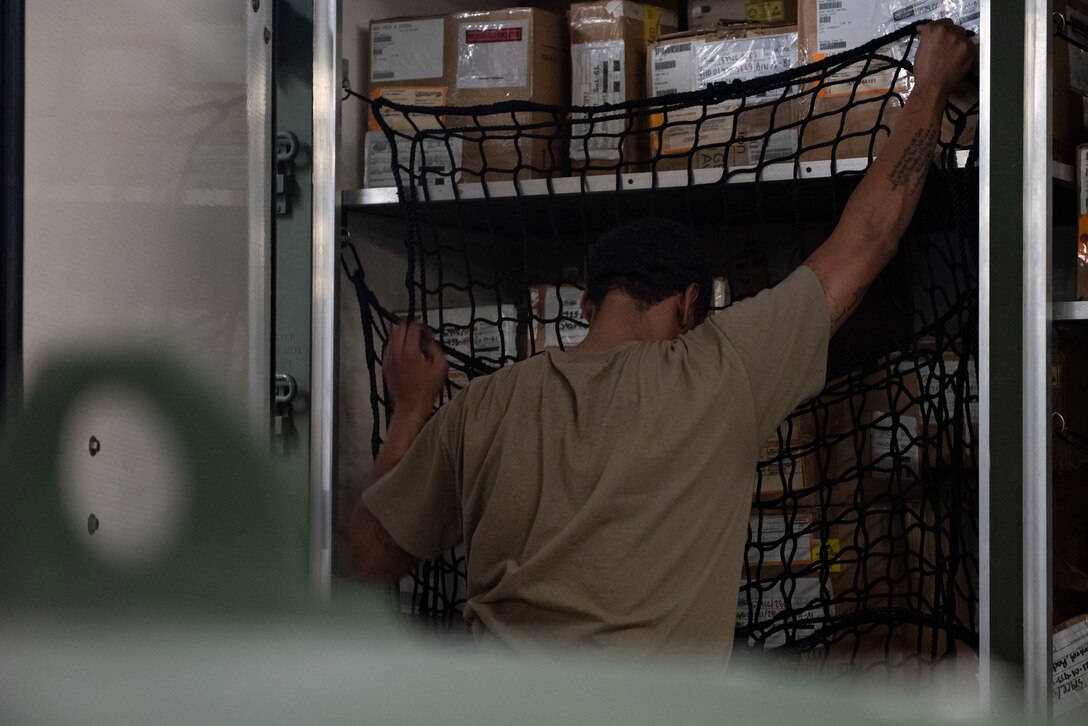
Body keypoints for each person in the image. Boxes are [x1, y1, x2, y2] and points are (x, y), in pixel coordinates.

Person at [349, 21, 977, 663]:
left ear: (588, 304)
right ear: (689, 305)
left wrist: (409, 412)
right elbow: (869, 238)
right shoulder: (720, 371)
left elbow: (369, 556)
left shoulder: (484, 405)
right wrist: (928, 85)